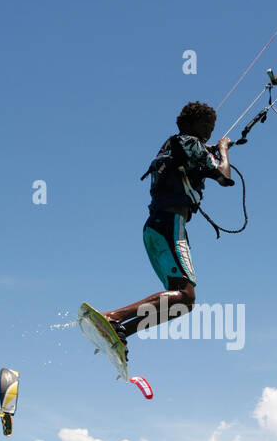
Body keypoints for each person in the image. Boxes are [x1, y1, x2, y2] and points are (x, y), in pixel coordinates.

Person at [99, 102, 234, 355]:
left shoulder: (175, 146)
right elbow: (224, 177)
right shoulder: (190, 142)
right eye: (208, 127)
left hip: (157, 228)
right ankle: (113, 316)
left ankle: (121, 333)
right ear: (196, 125)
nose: (210, 132)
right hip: (169, 225)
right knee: (185, 295)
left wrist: (207, 151)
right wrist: (223, 150)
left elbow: (189, 166)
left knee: (181, 303)